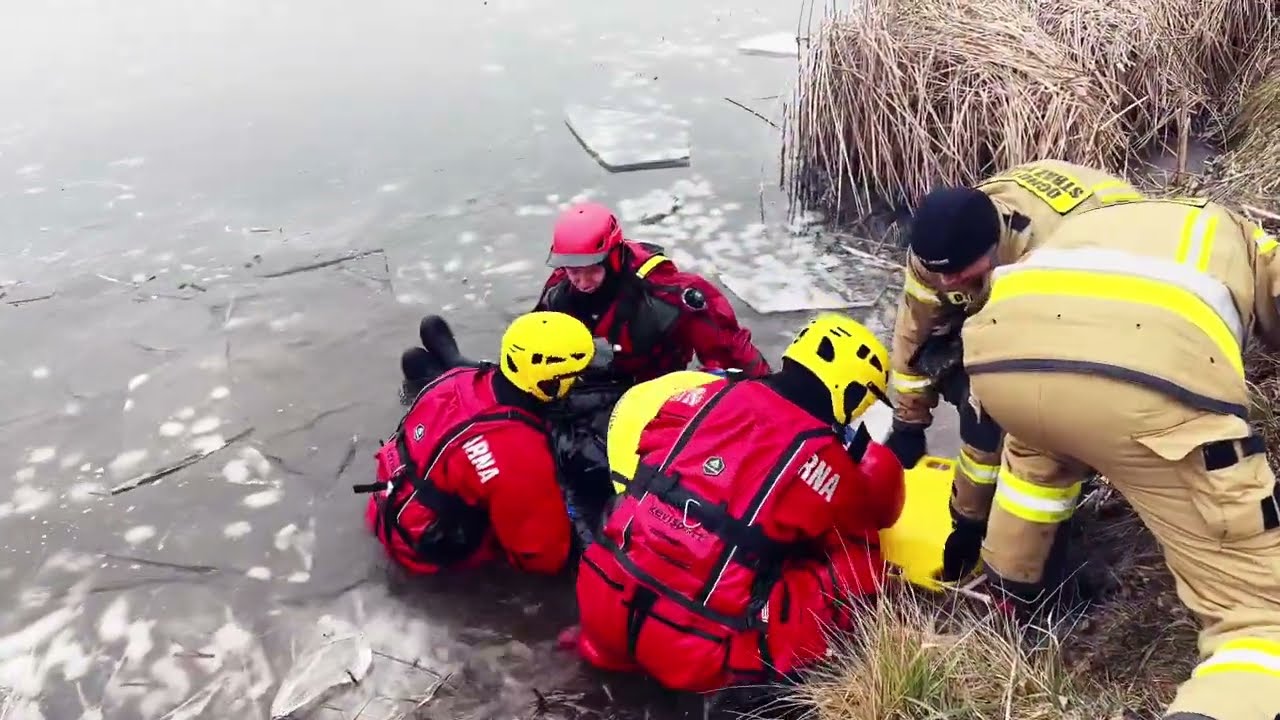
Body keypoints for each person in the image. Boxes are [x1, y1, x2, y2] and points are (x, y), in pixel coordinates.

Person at [960, 196, 1280, 720]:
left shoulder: (1091, 223)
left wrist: (966, 513)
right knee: (1259, 616)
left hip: (1006, 357)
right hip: (1150, 384)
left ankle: (1011, 598)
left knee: (1038, 457)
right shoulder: (1242, 237)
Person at [569, 312, 907, 693]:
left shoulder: (704, 394)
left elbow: (652, 449)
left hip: (599, 601)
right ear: (854, 392)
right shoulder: (827, 461)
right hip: (692, 652)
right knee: (858, 566)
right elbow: (862, 531)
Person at [883, 159, 1143, 581]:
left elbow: (992, 402)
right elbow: (914, 329)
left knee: (1040, 422)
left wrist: (967, 521)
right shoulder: (942, 249)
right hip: (1058, 237)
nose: (947, 284)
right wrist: (908, 422)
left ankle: (1055, 539)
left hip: (1123, 272)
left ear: (991, 252)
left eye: (959, 276)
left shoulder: (1045, 265)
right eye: (939, 275)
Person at [355, 311, 597, 576]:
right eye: (576, 376)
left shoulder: (462, 379)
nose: (579, 382)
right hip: (422, 547)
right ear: (550, 382)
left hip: (392, 502)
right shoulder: (520, 456)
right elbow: (541, 556)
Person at [535, 202, 770, 384]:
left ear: (613, 259)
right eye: (574, 271)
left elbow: (730, 350)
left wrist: (768, 393)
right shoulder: (559, 288)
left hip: (652, 393)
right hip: (586, 388)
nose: (582, 282)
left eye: (593, 270)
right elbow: (531, 343)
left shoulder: (666, 292)